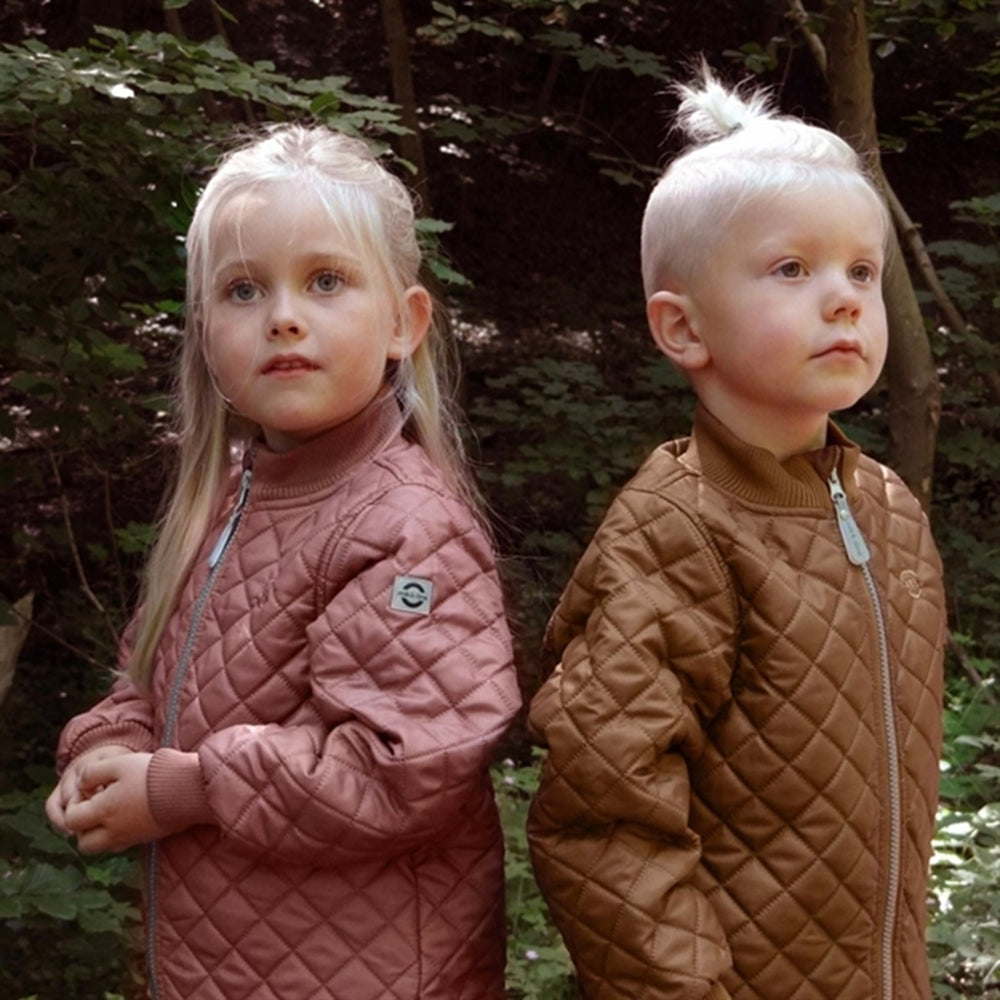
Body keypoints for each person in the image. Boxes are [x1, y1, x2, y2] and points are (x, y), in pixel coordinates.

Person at [45, 124, 521, 1000]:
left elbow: (399, 769)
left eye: (326, 280)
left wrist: (183, 789)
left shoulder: (407, 527)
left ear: (403, 323)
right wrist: (110, 745)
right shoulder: (227, 498)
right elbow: (151, 678)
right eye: (243, 289)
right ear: (204, 335)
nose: (284, 316)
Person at [526, 64, 947, 1000]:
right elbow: (604, 822)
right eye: (792, 269)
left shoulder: (888, 509)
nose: (844, 297)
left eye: (862, 271)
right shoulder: (677, 530)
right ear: (683, 329)